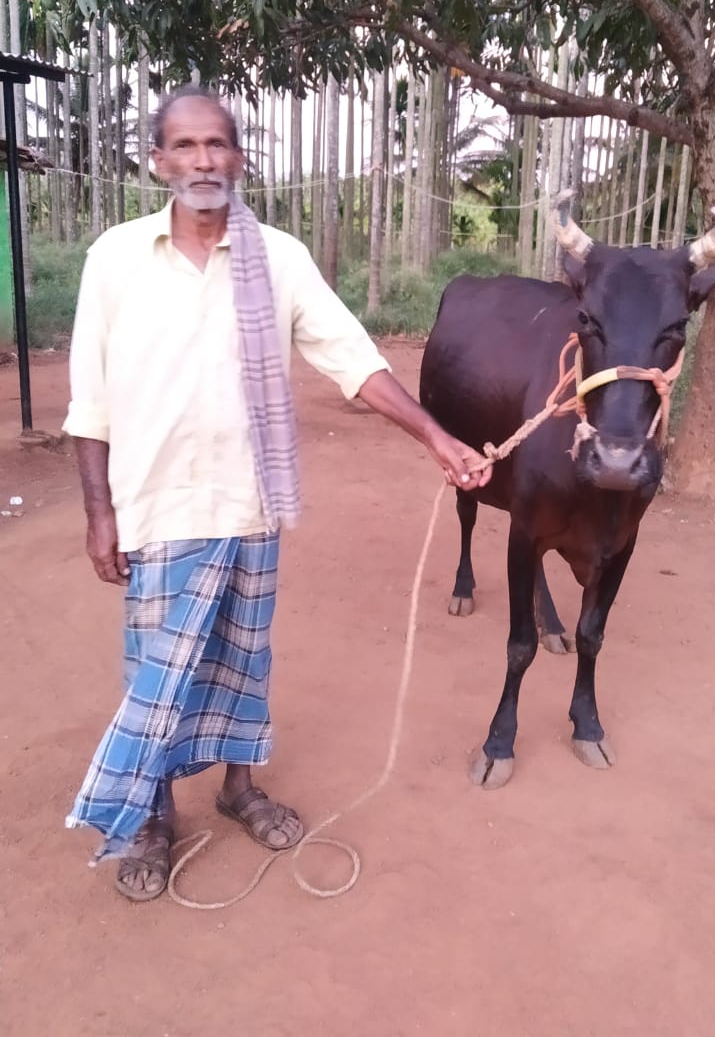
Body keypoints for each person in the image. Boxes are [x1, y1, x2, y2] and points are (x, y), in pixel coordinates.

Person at [63, 85, 491, 902]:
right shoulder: (115, 258)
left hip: (250, 506)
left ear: (240, 157)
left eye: (217, 144)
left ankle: (238, 788)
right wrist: (97, 511)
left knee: (243, 663)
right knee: (159, 677)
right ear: (157, 160)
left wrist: (438, 437)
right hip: (156, 509)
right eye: (183, 146)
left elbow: (352, 360)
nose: (202, 160)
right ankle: (152, 818)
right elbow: (91, 401)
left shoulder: (280, 259)